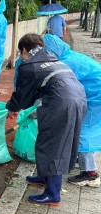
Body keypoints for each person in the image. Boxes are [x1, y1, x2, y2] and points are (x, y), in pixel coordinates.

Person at [6, 33, 86, 206]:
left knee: (53, 145)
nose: (22, 57)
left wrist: (12, 109)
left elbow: (22, 95)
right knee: (47, 140)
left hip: (61, 104)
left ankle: (53, 194)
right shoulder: (53, 59)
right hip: (77, 99)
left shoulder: (30, 66)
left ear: (25, 50)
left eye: (21, 53)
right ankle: (44, 177)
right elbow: (35, 91)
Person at [43, 34, 100, 187]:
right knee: (81, 128)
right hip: (92, 96)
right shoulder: (70, 56)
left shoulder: (65, 63)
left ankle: (91, 173)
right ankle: (78, 157)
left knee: (83, 131)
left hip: (96, 98)